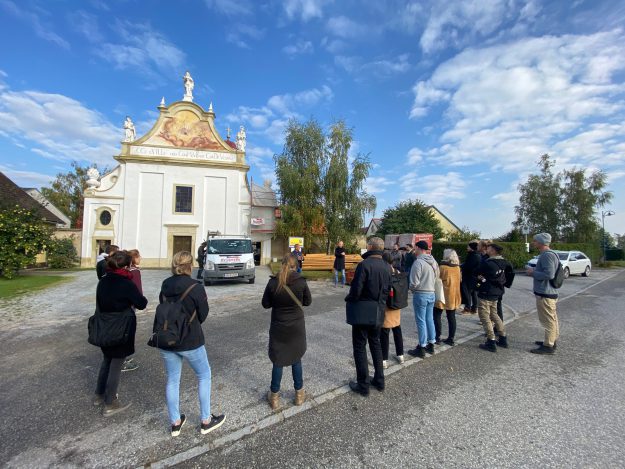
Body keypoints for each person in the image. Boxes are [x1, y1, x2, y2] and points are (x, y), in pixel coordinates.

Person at [157, 251, 225, 437]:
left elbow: (163, 307)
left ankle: (175, 422)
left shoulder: (165, 284)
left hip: (168, 338)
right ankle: (205, 420)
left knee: (172, 380)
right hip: (191, 339)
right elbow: (203, 313)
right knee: (204, 375)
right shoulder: (195, 286)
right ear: (190, 265)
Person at [93, 251, 147, 416]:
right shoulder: (126, 283)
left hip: (104, 325)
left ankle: (99, 394)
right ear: (127, 266)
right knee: (116, 364)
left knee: (107, 360)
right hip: (121, 326)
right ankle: (110, 403)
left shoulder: (103, 282)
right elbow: (141, 303)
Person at [262, 254, 312, 410]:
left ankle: (275, 397)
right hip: (296, 326)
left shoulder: (273, 283)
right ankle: (299, 394)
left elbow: (265, 304)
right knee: (296, 358)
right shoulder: (301, 282)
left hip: (279, 326)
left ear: (282, 265)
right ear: (295, 266)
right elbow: (308, 301)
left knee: (278, 360)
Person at [345, 237, 391, 396]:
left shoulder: (364, 265)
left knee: (359, 347)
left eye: (367, 245)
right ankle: (379, 380)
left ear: (371, 247)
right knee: (376, 345)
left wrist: (349, 298)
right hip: (379, 311)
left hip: (363, 311)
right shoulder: (387, 266)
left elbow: (356, 290)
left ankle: (363, 385)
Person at [526, 233, 560, 355]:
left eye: (535, 241)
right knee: (552, 318)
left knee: (548, 320)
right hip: (549, 292)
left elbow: (549, 274)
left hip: (546, 293)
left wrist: (532, 273)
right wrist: (536, 270)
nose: (533, 242)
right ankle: (551, 340)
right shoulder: (550, 254)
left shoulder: (547, 255)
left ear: (541, 242)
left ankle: (548, 346)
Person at [476, 244, 511, 352]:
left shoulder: (489, 263)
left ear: (494, 251)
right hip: (497, 292)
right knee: (494, 314)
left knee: (485, 316)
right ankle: (503, 337)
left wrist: (480, 278)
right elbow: (510, 275)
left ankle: (491, 341)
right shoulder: (505, 262)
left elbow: (477, 272)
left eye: (489, 249)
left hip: (486, 292)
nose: (487, 250)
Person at [407, 240, 439, 358]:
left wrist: (412, 289)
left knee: (421, 320)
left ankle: (422, 346)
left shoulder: (418, 262)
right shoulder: (433, 261)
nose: (414, 250)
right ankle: (431, 343)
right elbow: (437, 276)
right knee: (429, 319)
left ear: (418, 248)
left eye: (415, 248)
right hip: (431, 292)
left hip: (421, 293)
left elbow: (414, 282)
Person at [381, 252, 405, 368]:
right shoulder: (397, 272)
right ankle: (400, 355)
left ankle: (383, 359)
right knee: (397, 329)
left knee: (384, 332)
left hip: (387, 305)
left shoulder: (385, 272)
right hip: (396, 304)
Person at [434, 249, 461, 346]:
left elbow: (436, 279)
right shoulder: (457, 268)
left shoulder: (443, 267)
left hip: (442, 294)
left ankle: (436, 337)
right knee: (451, 316)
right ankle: (451, 338)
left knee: (437, 315)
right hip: (453, 294)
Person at [478, 239, 503, 323]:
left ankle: (496, 328)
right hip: (493, 287)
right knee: (494, 310)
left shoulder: (491, 259)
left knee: (495, 309)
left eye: (479, 245)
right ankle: (496, 327)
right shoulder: (485, 257)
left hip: (493, 288)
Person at [460, 241, 480, 314]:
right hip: (474, 277)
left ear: (472, 248)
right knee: (473, 293)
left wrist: (461, 266)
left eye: (468, 246)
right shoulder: (476, 255)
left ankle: (467, 308)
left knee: (467, 292)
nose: (467, 248)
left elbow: (468, 266)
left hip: (469, 277)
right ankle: (474, 308)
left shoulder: (473, 256)